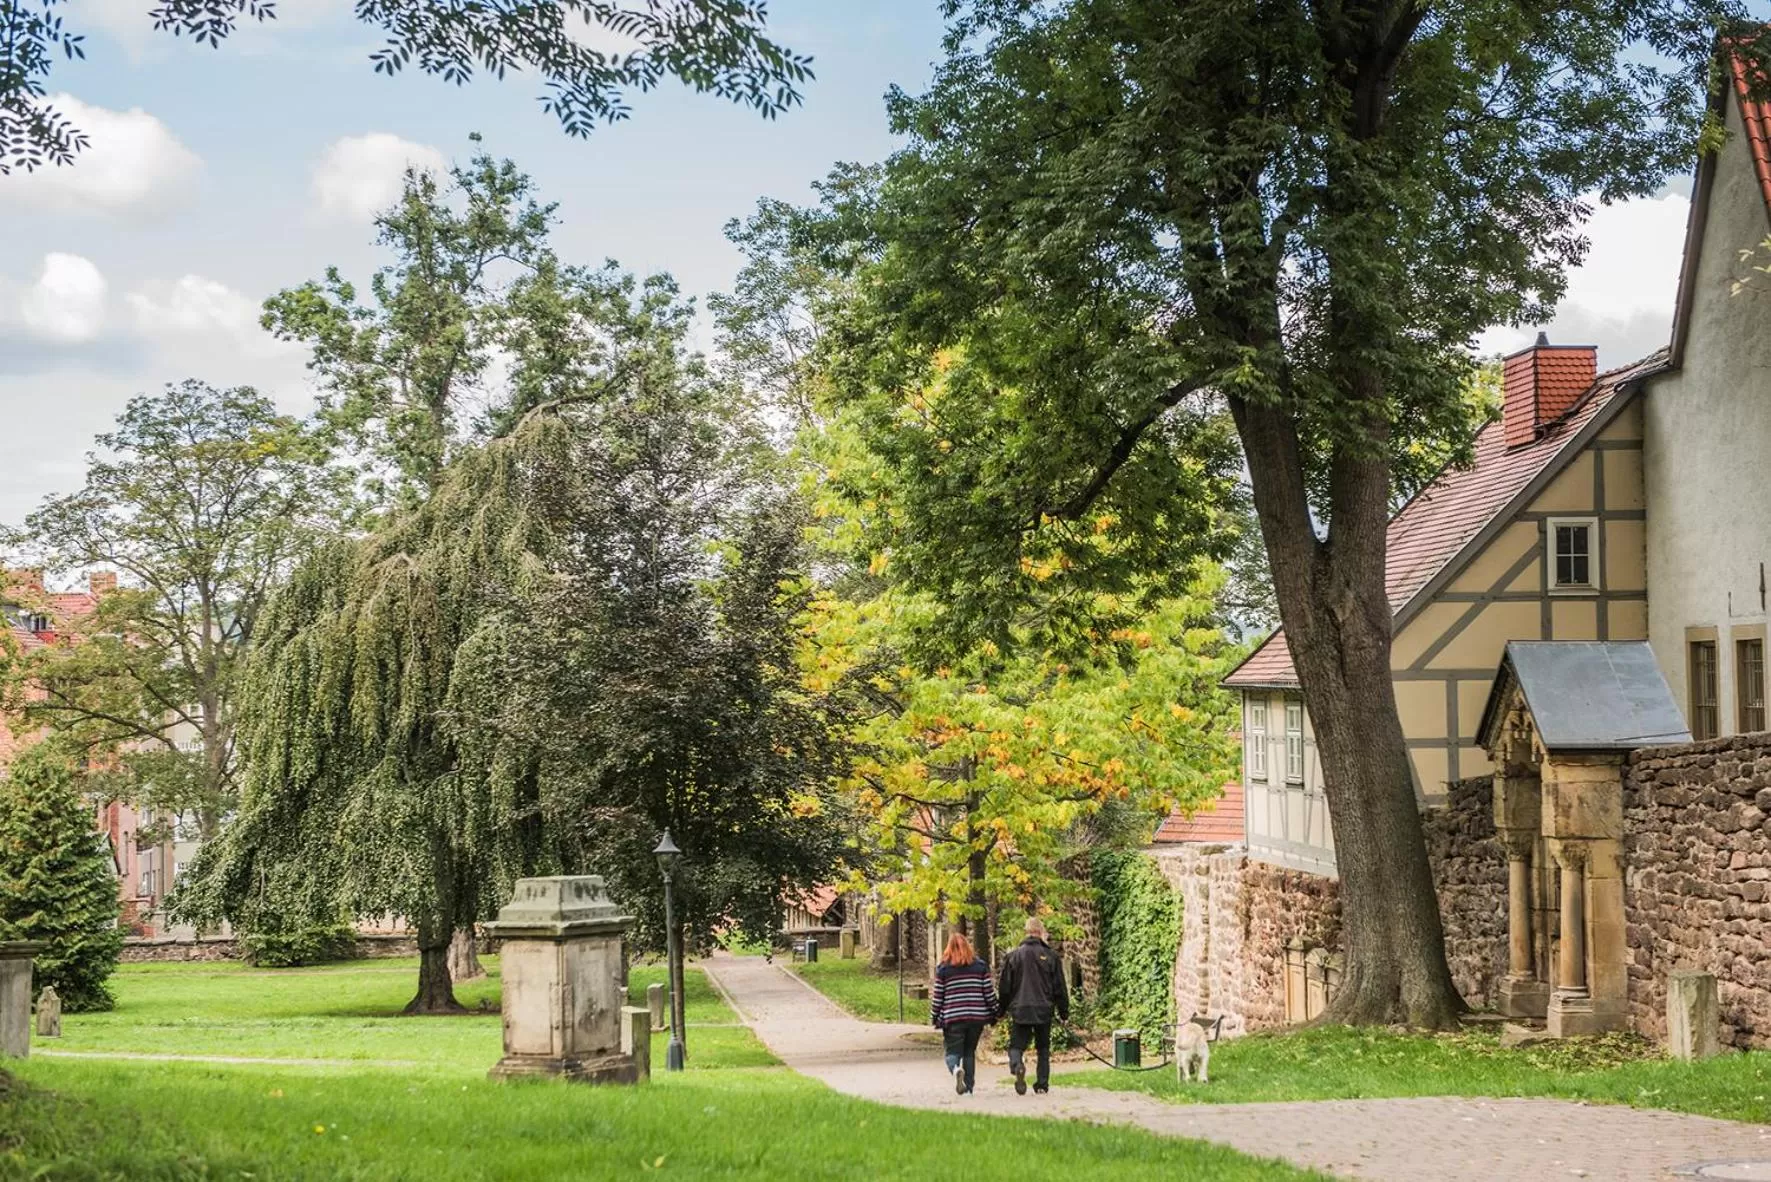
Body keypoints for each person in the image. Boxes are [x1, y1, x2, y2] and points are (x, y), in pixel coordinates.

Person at [996, 916, 1068, 1095]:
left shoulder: (1013, 956)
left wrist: (1001, 1010)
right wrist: (1064, 1012)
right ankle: (1042, 1084)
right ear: (1041, 932)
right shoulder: (1051, 956)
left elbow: (1005, 987)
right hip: (1044, 1008)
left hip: (1021, 1008)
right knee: (1043, 1048)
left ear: (1026, 932)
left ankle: (1017, 1065)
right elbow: (1059, 987)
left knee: (1016, 1045)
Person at [930, 929, 996, 1095]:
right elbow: (988, 992)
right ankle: (969, 1088)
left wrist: (934, 1016)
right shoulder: (980, 967)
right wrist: (994, 1011)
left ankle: (955, 1069)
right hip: (976, 1017)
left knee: (952, 1052)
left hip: (953, 1017)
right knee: (969, 1052)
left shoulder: (943, 970)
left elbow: (938, 997)